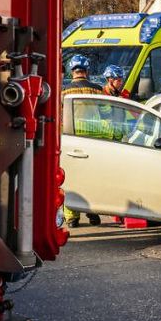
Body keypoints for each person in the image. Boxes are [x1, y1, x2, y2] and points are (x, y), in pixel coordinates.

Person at [61, 54, 102, 227]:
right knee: (93, 178)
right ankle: (93, 214)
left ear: (72, 71)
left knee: (70, 178)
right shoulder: (98, 89)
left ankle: (71, 217)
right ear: (87, 71)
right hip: (94, 141)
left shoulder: (64, 91)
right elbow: (107, 114)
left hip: (71, 139)